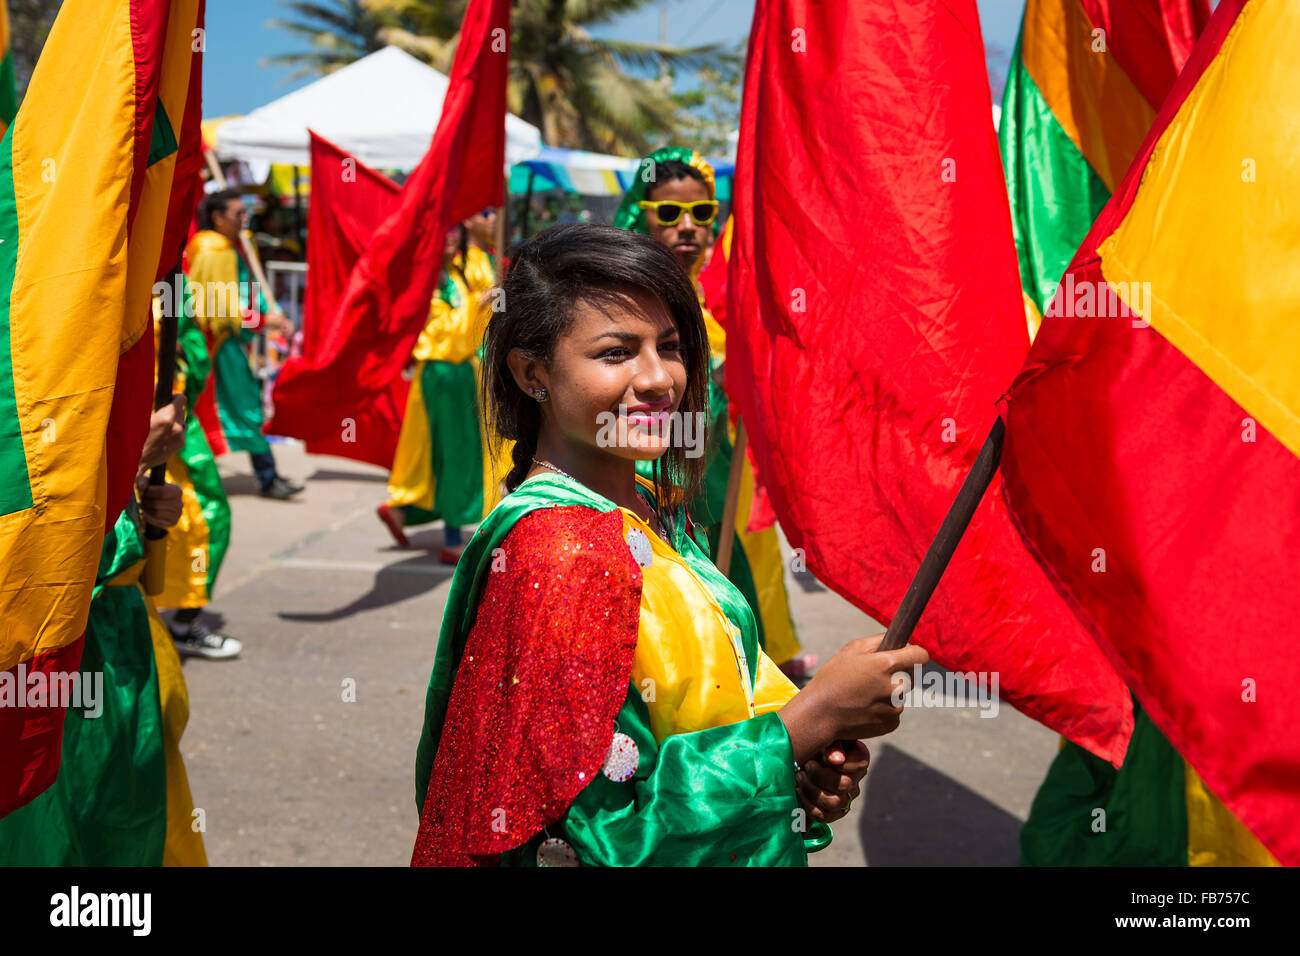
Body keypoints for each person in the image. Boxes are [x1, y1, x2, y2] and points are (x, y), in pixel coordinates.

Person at [411, 224, 928, 866]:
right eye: (615, 352)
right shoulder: (566, 553)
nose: (659, 378)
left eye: (672, 346)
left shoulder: (647, 507)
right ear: (531, 372)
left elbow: (709, 707)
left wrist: (797, 774)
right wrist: (809, 720)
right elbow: (598, 837)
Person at [613, 146, 815, 678]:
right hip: (648, 478)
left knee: (734, 578)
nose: (688, 226)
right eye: (670, 213)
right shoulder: (624, 298)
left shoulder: (714, 294)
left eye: (702, 214)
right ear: (641, 213)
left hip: (714, 469)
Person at [0, 401, 208, 865]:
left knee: (127, 816)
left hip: (120, 642)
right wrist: (131, 460)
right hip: (40, 652)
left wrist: (140, 505)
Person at [377, 224, 506, 563]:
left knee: (437, 450)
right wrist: (477, 305)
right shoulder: (426, 280)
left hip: (459, 370)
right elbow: (444, 333)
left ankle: (402, 511)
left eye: (455, 231)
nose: (450, 236)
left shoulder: (456, 271)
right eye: (444, 231)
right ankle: (452, 539)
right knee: (458, 453)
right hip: (446, 371)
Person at [186, 188, 303, 500]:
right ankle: (263, 477)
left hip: (225, 343)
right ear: (218, 217)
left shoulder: (226, 246)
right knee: (240, 407)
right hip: (221, 345)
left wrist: (265, 314)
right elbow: (221, 308)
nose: (243, 218)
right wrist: (263, 321)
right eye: (237, 213)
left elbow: (240, 293)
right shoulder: (215, 249)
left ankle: (258, 475)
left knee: (225, 408)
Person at [155, 290, 241, 660]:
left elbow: (192, 341)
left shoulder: (169, 276)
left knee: (206, 516)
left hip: (171, 419)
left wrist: (175, 352)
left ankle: (181, 619)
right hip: (115, 419)